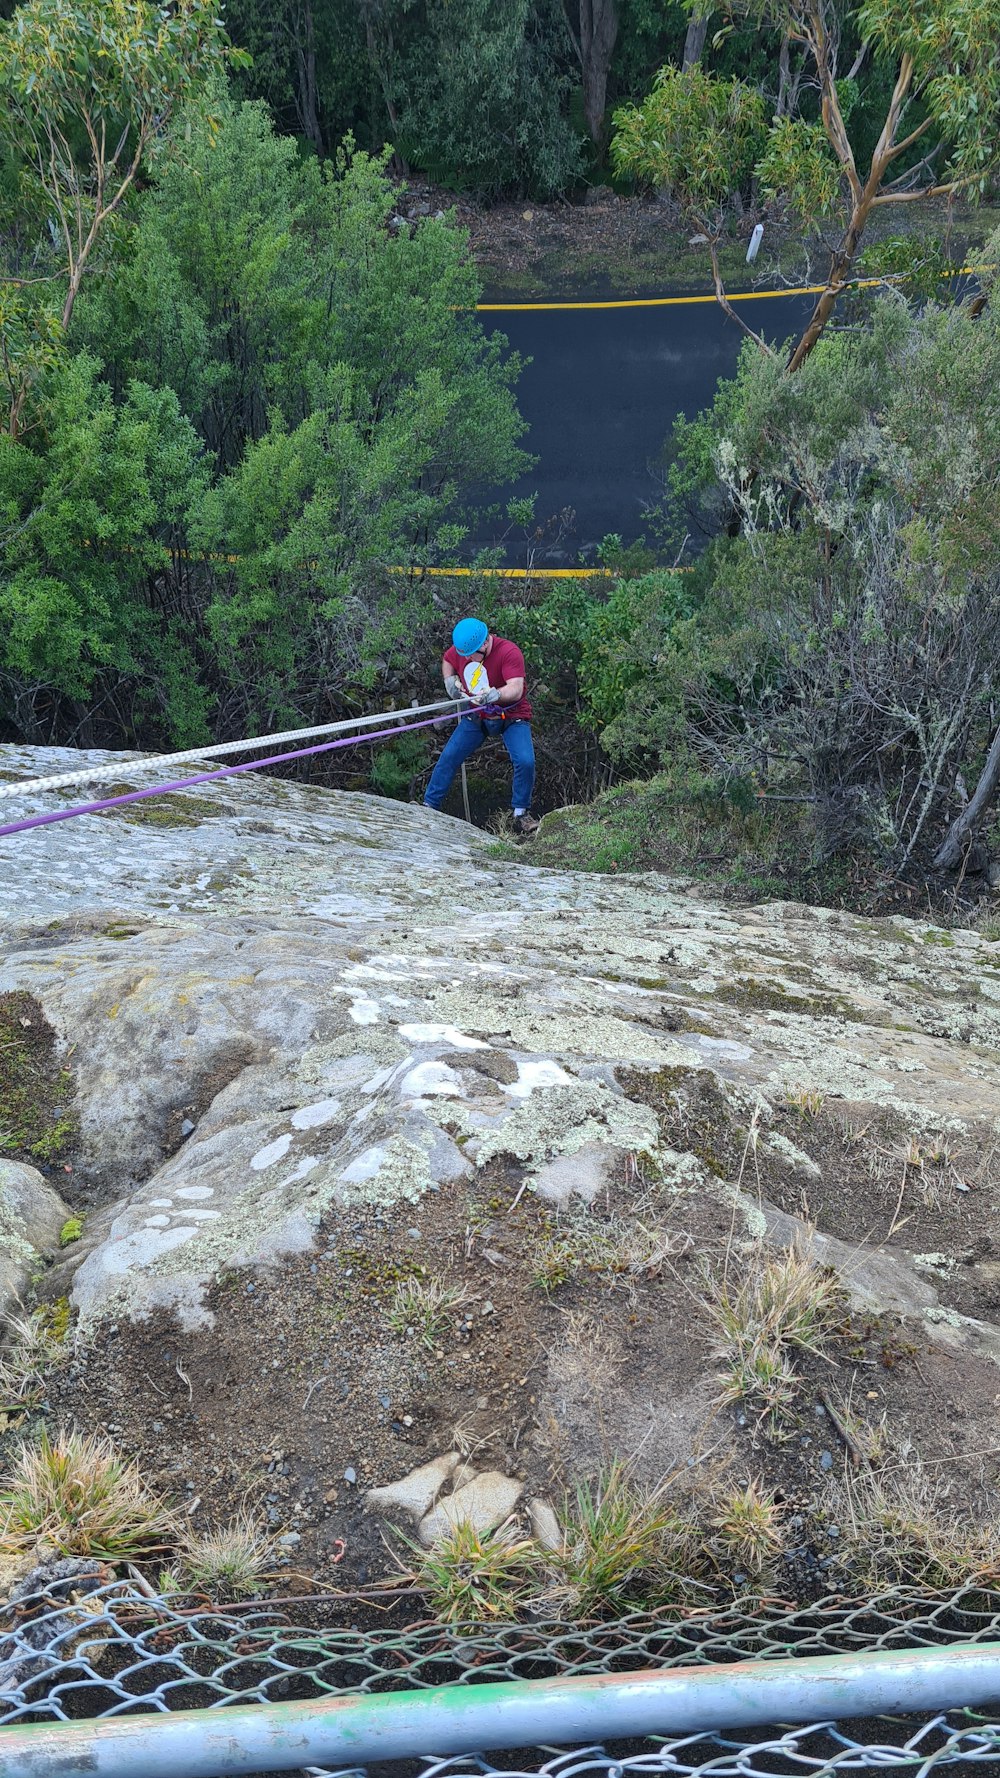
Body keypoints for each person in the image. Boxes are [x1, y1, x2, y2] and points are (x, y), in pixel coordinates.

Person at [423, 618, 540, 837]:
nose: (466, 659)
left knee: (525, 761)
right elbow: (448, 659)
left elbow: (515, 688)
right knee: (449, 756)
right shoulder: (465, 647)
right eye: (464, 654)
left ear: (485, 644)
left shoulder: (509, 652)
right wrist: (450, 681)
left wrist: (497, 694)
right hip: (477, 715)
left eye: (471, 655)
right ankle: (429, 805)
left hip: (510, 715)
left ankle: (520, 814)